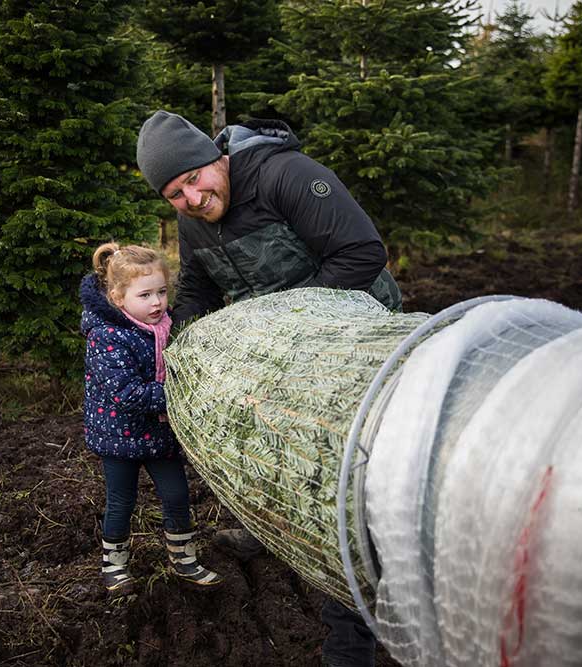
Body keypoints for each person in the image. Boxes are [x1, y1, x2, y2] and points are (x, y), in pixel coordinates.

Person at [136, 111, 397, 666]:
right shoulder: (195, 219)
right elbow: (198, 288)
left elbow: (362, 253)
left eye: (194, 180)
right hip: (282, 360)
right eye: (174, 194)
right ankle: (274, 523)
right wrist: (172, 346)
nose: (192, 198)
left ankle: (350, 641)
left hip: (356, 343)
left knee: (341, 481)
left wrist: (292, 324)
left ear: (215, 159)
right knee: (271, 447)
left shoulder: (287, 176)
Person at [80, 242, 223, 595]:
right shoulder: (107, 337)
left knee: (177, 495)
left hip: (160, 432)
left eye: (161, 291)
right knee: (121, 500)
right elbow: (127, 395)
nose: (157, 302)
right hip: (119, 434)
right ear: (117, 297)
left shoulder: (167, 325)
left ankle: (184, 559)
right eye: (145, 295)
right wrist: (182, 396)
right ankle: (115, 564)